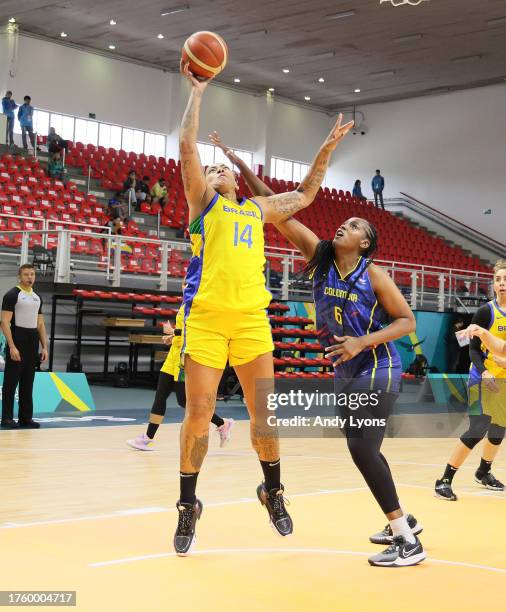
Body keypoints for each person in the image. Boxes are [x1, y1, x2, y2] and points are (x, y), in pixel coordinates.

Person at [211, 132, 425, 568]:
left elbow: (407, 322)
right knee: (365, 447)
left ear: (364, 243)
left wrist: (363, 340)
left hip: (379, 365)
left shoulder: (375, 275)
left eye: (355, 226)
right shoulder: (319, 256)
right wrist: (240, 164)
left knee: (363, 449)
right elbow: (275, 205)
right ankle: (405, 519)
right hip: (345, 370)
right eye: (343, 222)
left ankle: (406, 539)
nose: (344, 225)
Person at [172, 60, 353, 556]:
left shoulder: (257, 208)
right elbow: (187, 147)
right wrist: (198, 90)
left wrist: (326, 148)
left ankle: (271, 490)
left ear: (236, 179)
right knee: (198, 413)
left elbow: (308, 193)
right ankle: (189, 504)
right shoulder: (203, 203)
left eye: (222, 168)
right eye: (211, 169)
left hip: (251, 319)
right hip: (208, 319)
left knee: (264, 418)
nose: (216, 170)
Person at [435, 259, 506, 500]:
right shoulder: (486, 311)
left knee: (499, 429)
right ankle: (444, 480)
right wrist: (484, 372)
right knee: (478, 428)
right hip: (481, 377)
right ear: (493, 285)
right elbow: (473, 349)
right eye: (498, 280)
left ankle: (483, 472)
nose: (502, 284)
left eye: (505, 280)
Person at [126, 296, 234, 451]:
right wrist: (173, 337)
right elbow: (184, 332)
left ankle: (222, 423)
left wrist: (174, 331)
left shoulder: (199, 304)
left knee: (184, 401)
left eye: (188, 283)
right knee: (160, 396)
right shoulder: (185, 303)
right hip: (172, 357)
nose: (185, 286)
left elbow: (195, 330)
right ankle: (147, 438)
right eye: (184, 284)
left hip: (184, 360)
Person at [1, 264, 48, 429]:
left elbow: (40, 324)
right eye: (26, 274)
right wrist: (12, 346)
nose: (30, 277)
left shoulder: (37, 297)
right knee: (11, 382)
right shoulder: (12, 295)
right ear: (19, 277)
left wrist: (44, 347)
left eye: (32, 274)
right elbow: (4, 322)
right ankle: (6, 418)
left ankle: (25, 418)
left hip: (32, 341)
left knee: (28, 382)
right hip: (17, 340)